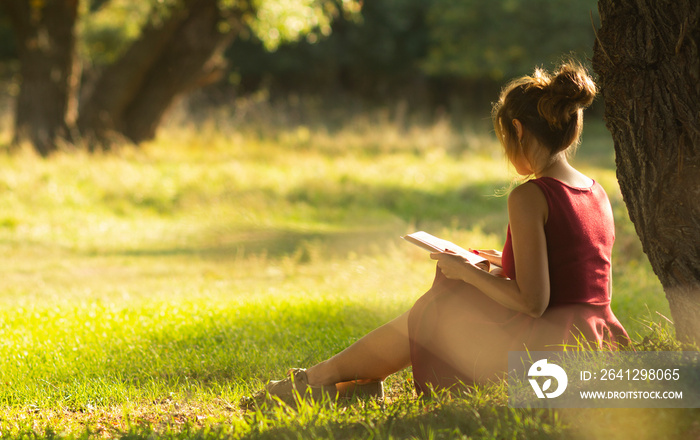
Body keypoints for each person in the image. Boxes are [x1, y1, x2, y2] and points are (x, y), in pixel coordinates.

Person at [243, 61, 630, 406]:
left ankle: (321, 380)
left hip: (550, 348)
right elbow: (573, 269)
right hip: (597, 338)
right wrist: (500, 260)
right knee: (454, 295)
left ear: (517, 129)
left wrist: (467, 272)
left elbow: (533, 302)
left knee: (445, 302)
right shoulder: (595, 190)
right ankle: (347, 381)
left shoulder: (531, 195)